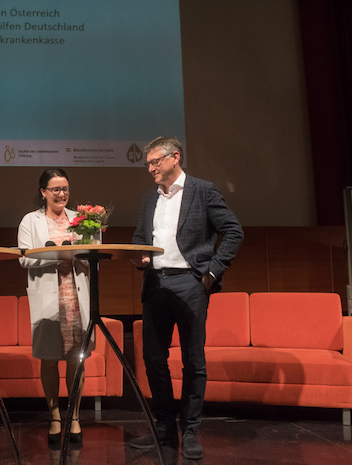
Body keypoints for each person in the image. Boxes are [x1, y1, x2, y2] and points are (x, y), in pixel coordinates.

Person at [130, 137, 243, 459]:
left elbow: (233, 231)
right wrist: (138, 258)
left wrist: (211, 273)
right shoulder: (149, 200)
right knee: (154, 359)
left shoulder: (202, 190)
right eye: (148, 164)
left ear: (174, 157)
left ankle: (190, 429)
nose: (150, 168)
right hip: (156, 285)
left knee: (194, 360)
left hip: (191, 284)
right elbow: (141, 240)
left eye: (155, 162)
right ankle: (164, 429)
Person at [17, 168, 91, 446]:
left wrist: (80, 252)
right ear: (43, 192)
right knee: (49, 358)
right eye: (56, 189)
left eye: (65, 189)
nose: (62, 194)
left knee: (77, 357)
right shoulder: (30, 221)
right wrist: (57, 253)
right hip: (49, 294)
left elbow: (93, 250)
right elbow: (24, 258)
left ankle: (74, 416)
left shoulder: (80, 219)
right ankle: (55, 416)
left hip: (75, 293)